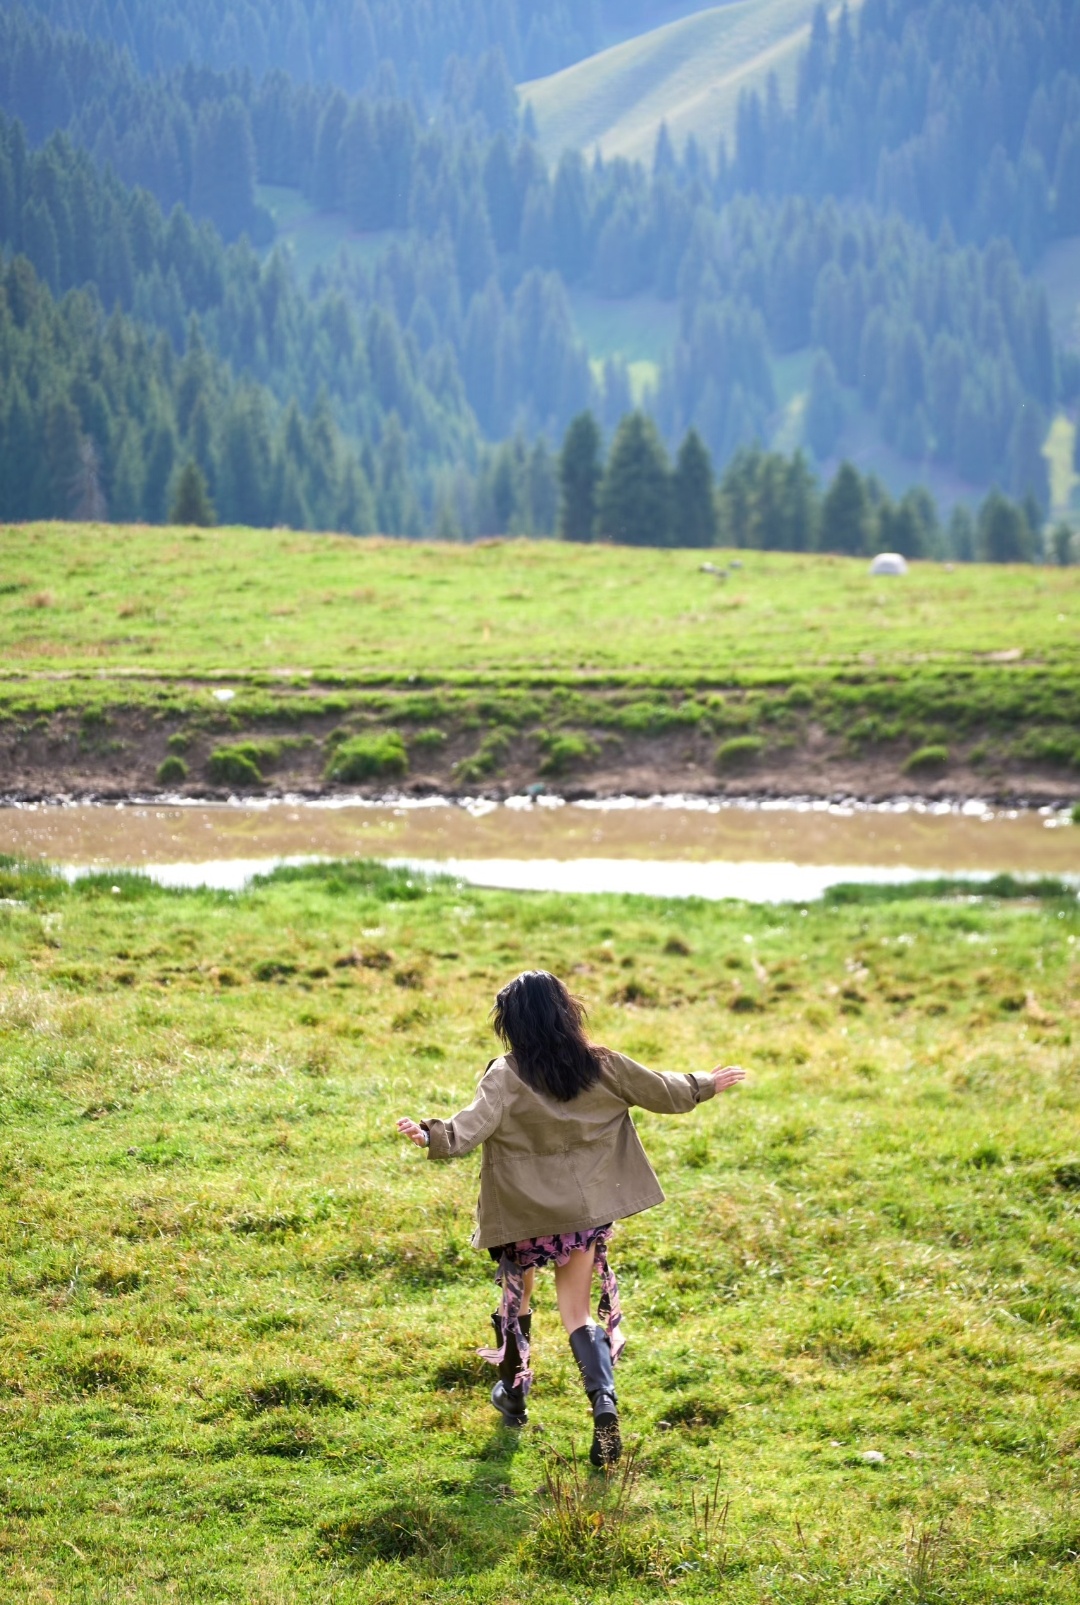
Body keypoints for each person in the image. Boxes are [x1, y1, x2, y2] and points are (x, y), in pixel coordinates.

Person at [397, 970, 746, 1467]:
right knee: (578, 1313)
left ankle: (513, 1395)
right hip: (580, 1217)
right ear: (567, 1011)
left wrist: (428, 1135)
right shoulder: (601, 1064)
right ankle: (603, 1400)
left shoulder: (504, 1074)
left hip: (524, 1216)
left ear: (511, 1024)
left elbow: (465, 1130)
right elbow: (664, 1092)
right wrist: (708, 1082)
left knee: (516, 1303)